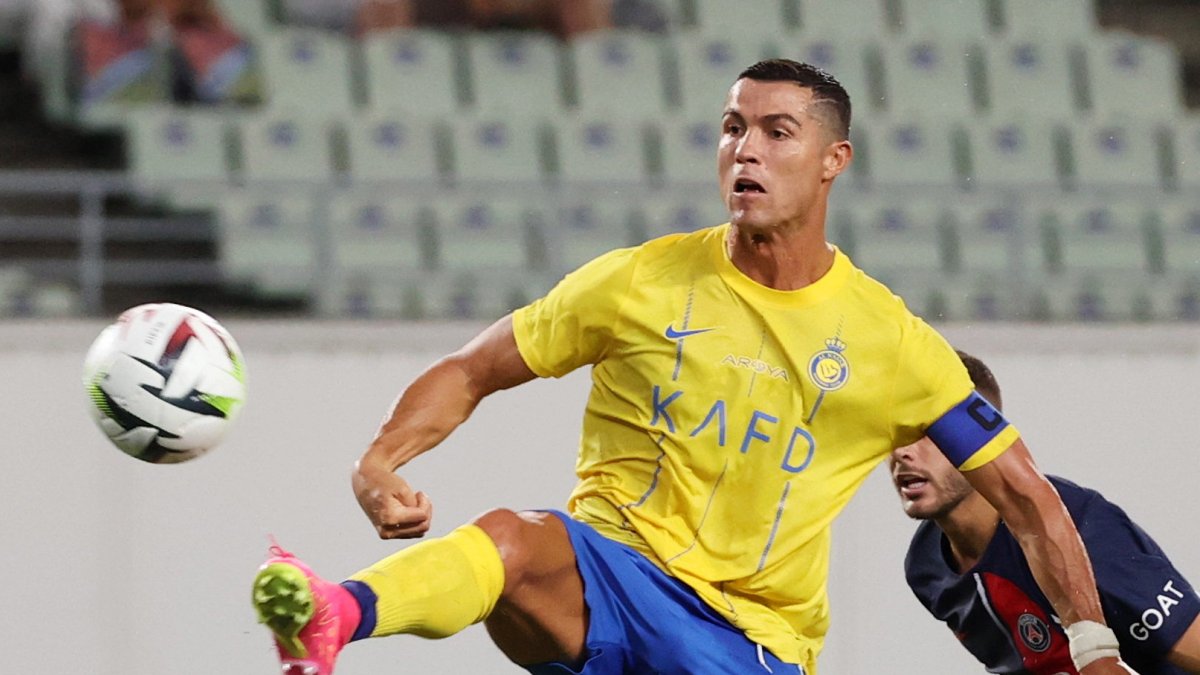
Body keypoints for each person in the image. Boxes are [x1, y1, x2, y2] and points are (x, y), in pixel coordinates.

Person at [251, 59, 1137, 674]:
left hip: (748, 639)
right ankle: (337, 612)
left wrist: (1094, 649)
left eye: (776, 131)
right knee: (513, 540)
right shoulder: (638, 280)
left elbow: (1029, 497)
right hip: (610, 577)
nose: (744, 149)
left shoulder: (892, 342)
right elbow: (473, 367)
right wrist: (380, 461)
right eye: (731, 127)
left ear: (834, 162)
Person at [893, 351, 1200, 674]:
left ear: (977, 441)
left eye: (927, 433)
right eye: (896, 432)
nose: (903, 452)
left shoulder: (1080, 530)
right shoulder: (925, 568)